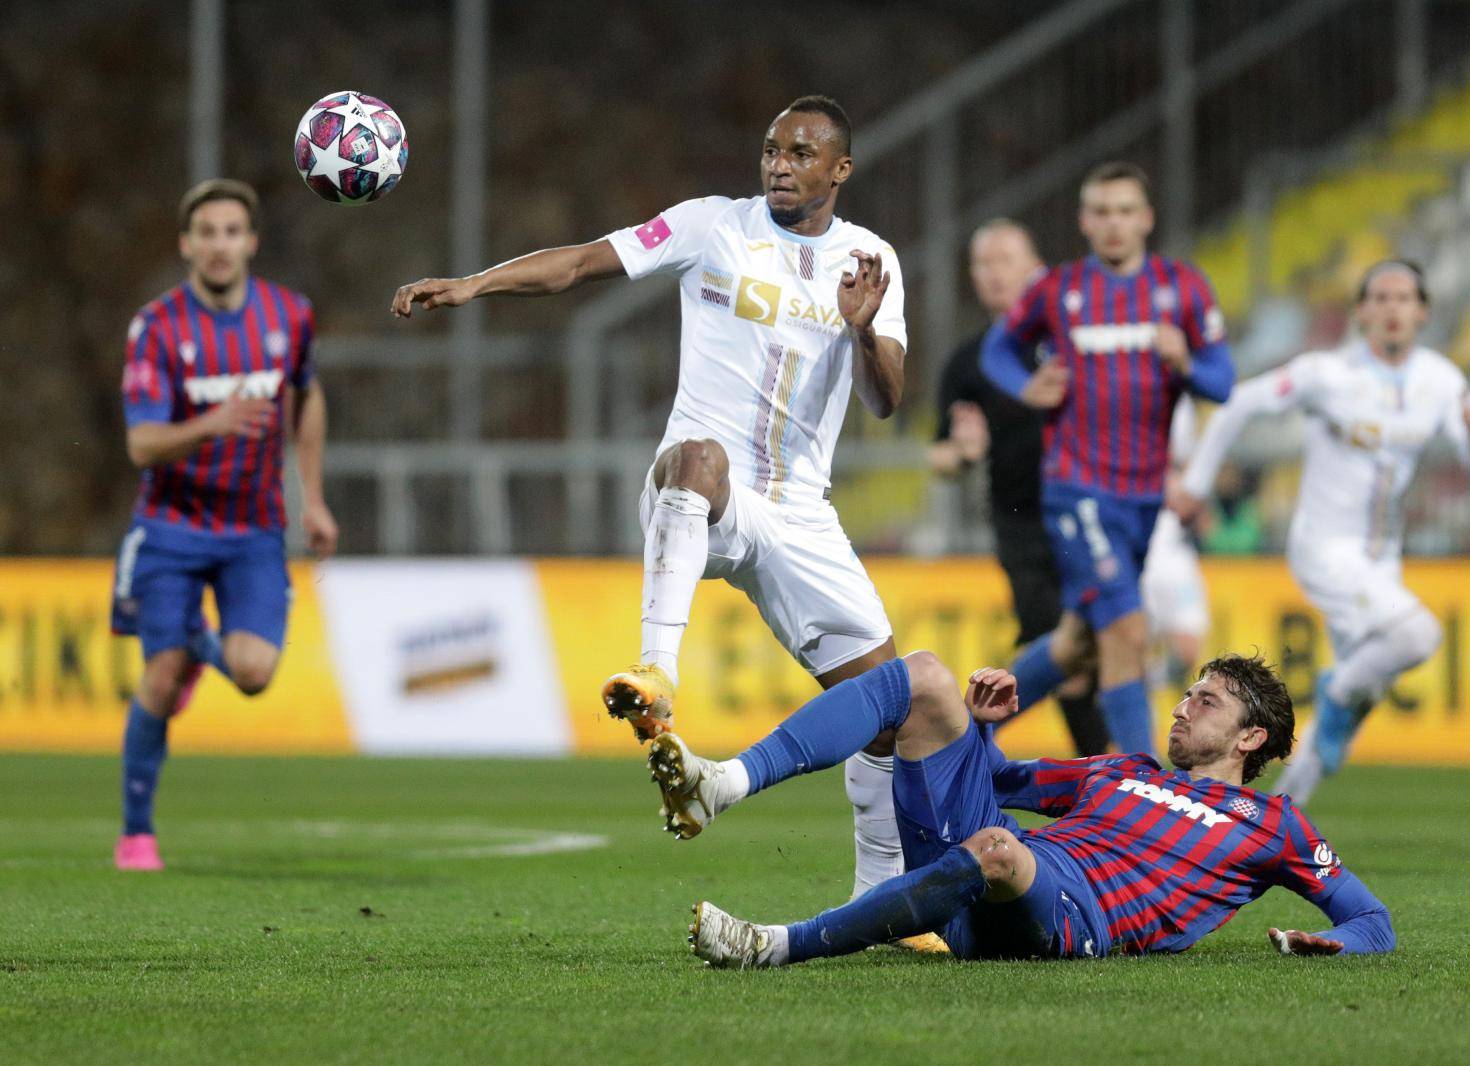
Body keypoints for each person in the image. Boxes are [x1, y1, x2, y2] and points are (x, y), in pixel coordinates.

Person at [392, 95, 912, 897]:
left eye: (801, 153)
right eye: (771, 149)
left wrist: (861, 329)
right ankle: (657, 673)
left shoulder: (870, 261)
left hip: (803, 512)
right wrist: (474, 284)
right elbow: (578, 263)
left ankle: (880, 892)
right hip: (700, 492)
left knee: (889, 711)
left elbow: (886, 400)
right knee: (697, 458)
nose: (778, 163)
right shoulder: (714, 226)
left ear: (840, 169)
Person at [643, 650, 1392, 967]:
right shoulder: (1121, 768)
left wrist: (1335, 945)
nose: (1184, 706)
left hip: (1069, 914)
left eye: (1208, 699)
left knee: (999, 848)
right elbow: (999, 780)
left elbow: (1372, 921)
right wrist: (987, 722)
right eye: (1188, 690)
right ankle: (726, 782)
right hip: (986, 866)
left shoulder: (1275, 827)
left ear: (1251, 736)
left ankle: (776, 945)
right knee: (926, 678)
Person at [1170, 260, 1470, 804]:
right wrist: (1200, 482)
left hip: (1381, 557)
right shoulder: (1327, 374)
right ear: (1362, 311)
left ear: (1422, 311)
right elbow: (1239, 404)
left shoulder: (1440, 380)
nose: (1392, 308)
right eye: (1380, 297)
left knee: (1348, 717)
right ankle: (1340, 685)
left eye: (1403, 298)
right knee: (1417, 636)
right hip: (1325, 547)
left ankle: (1280, 814)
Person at [113, 179, 337, 871]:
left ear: (251, 241)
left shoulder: (289, 316)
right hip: (172, 525)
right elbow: (141, 446)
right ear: (186, 243)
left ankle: (196, 642)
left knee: (253, 671)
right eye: (205, 232)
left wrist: (314, 497)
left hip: (253, 526)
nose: (218, 244)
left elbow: (307, 398)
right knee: (158, 678)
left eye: (231, 231)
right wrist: (212, 422)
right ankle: (136, 833)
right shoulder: (156, 328)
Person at [979, 162, 1233, 758]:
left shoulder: (1183, 288)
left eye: (1125, 211)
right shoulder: (1060, 290)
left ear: (1146, 218)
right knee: (1126, 628)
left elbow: (1223, 382)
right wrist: (1025, 386)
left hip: (1145, 498)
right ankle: (1146, 782)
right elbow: (998, 349)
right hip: (1078, 486)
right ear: (1084, 222)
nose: (1114, 224)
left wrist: (1187, 365)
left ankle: (965, 734)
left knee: (1077, 644)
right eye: (1101, 212)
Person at [928, 219, 1108, 756]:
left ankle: (962, 745)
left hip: (1092, 513)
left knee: (1094, 653)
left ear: (1036, 269)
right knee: (1066, 651)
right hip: (1021, 524)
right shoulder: (968, 360)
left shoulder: (1070, 341)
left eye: (1004, 259)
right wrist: (961, 451)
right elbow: (939, 456)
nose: (991, 273)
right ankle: (962, 744)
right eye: (981, 263)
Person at [1139, 395, 1211, 687]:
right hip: (1141, 555)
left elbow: (1191, 466)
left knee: (1188, 650)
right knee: (1132, 647)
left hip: (1175, 553)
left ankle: (1155, 687)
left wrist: (1194, 500)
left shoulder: (1180, 403)